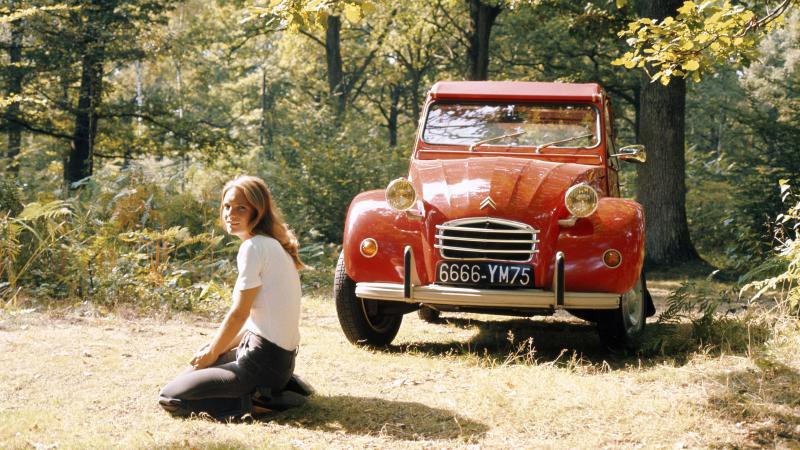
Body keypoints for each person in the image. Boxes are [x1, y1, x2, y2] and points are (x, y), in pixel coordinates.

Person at [159, 175, 306, 419]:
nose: (230, 213)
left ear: (257, 212)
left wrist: (212, 353)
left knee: (170, 397)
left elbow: (239, 314)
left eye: (241, 208)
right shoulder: (271, 245)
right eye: (227, 206)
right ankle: (268, 392)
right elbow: (257, 323)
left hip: (260, 363)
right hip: (279, 363)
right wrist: (217, 349)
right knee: (191, 371)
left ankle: (260, 402)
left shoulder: (254, 247)